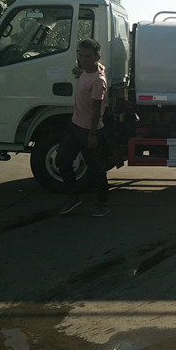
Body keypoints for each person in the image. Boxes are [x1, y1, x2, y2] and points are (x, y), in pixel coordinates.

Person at [57, 38, 110, 217]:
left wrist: (92, 136)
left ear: (97, 57)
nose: (83, 59)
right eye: (80, 55)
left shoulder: (98, 81)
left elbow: (95, 111)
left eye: (87, 56)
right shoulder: (88, 71)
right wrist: (82, 72)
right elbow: (96, 68)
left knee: (96, 169)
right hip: (74, 125)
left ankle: (102, 203)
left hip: (89, 130)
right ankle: (73, 197)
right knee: (62, 160)